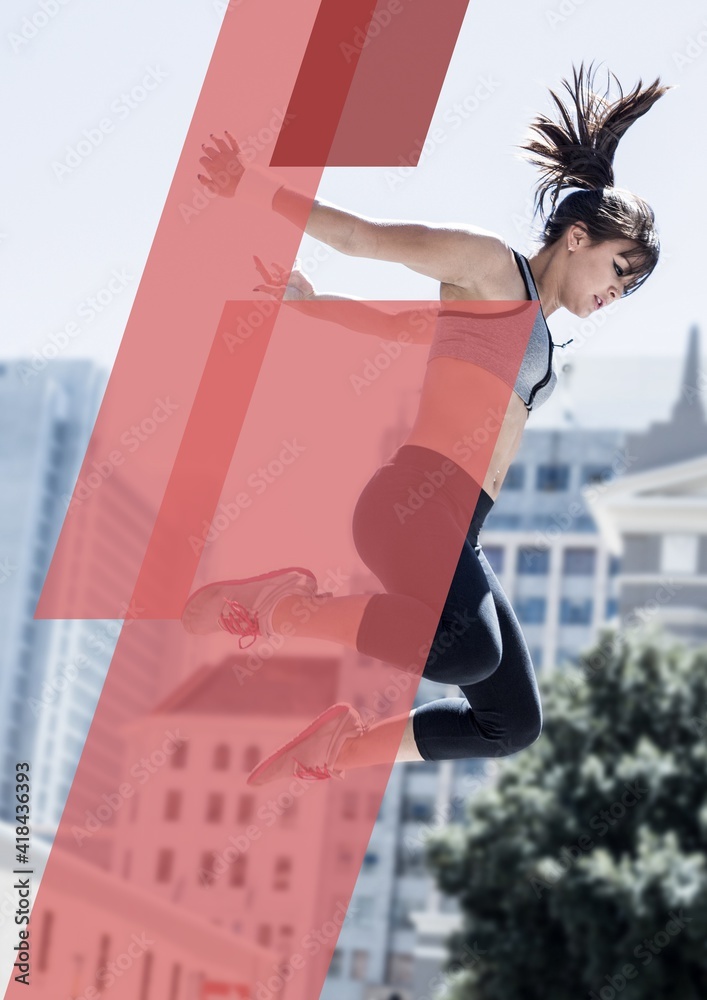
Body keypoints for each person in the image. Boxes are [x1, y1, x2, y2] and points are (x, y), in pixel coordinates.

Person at [182, 62, 672, 786]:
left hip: (455, 528)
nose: (613, 293)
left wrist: (316, 309)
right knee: (466, 652)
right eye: (616, 269)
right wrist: (248, 186)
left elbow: (405, 327)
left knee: (510, 723)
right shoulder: (488, 267)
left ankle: (337, 751)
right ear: (576, 237)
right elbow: (362, 236)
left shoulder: (528, 329)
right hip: (412, 505)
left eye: (627, 288)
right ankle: (280, 607)